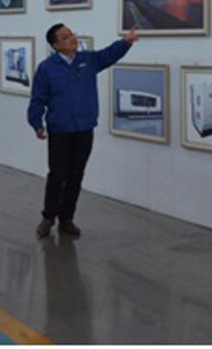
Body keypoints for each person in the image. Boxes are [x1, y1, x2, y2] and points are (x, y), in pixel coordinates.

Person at [28, 23, 139, 238]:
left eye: (72, 34)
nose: (72, 39)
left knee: (76, 175)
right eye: (65, 37)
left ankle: (67, 219)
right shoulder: (46, 68)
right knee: (57, 175)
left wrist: (125, 42)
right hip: (60, 130)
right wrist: (37, 123)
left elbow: (108, 55)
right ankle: (48, 217)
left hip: (84, 129)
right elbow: (38, 99)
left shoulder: (88, 60)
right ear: (55, 45)